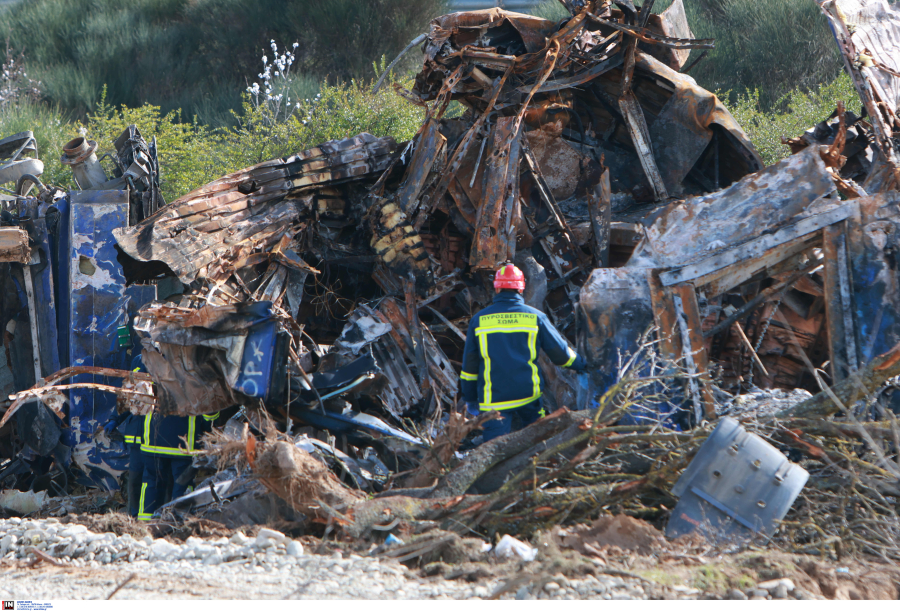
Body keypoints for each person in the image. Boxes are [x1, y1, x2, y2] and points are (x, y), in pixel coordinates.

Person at [460, 262, 587, 442]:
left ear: (497, 289)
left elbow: (469, 369)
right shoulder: (535, 317)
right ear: (521, 290)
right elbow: (561, 356)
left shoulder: (479, 321)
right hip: (529, 395)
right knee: (536, 442)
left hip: (494, 400)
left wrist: (470, 398)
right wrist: (583, 364)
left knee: (493, 449)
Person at [138, 404, 219, 521]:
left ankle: (145, 523)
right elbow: (209, 416)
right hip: (184, 445)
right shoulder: (196, 385)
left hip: (152, 442)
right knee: (183, 485)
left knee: (151, 483)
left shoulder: (154, 384)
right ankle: (179, 520)